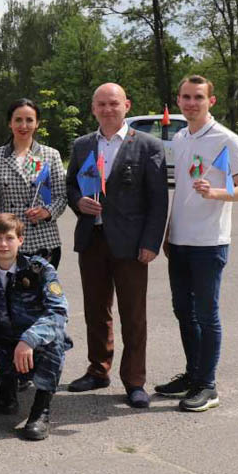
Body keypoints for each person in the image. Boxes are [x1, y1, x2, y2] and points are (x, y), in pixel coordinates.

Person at [64, 84, 167, 408]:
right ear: (93, 108)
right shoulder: (82, 145)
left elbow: (158, 201)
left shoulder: (148, 146)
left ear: (126, 105)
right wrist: (78, 201)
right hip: (92, 240)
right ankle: (98, 370)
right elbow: (70, 185)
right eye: (101, 104)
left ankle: (135, 381)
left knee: (133, 315)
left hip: (132, 245)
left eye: (113, 103)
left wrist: (151, 243)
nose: (108, 109)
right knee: (96, 311)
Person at [156, 75, 238, 412]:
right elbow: (180, 191)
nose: (191, 103)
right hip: (179, 240)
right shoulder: (180, 137)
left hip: (209, 242)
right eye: (186, 97)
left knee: (206, 314)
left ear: (210, 101)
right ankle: (193, 374)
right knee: (183, 311)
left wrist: (216, 193)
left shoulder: (226, 139)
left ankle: (208, 385)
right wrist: (169, 231)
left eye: (198, 97)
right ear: (178, 101)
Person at [0, 212, 72, 441]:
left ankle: (40, 411)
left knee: (56, 344)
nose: (3, 244)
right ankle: (7, 385)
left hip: (35, 346)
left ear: (20, 240)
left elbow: (58, 312)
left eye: (10, 238)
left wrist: (30, 338)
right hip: (4, 343)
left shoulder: (40, 270)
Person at [0, 98, 67, 265]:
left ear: (37, 124)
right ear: (10, 123)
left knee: (41, 291)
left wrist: (47, 211)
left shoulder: (50, 155)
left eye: (29, 120)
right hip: (5, 241)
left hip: (42, 240)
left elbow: (61, 196)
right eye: (18, 120)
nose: (24, 126)